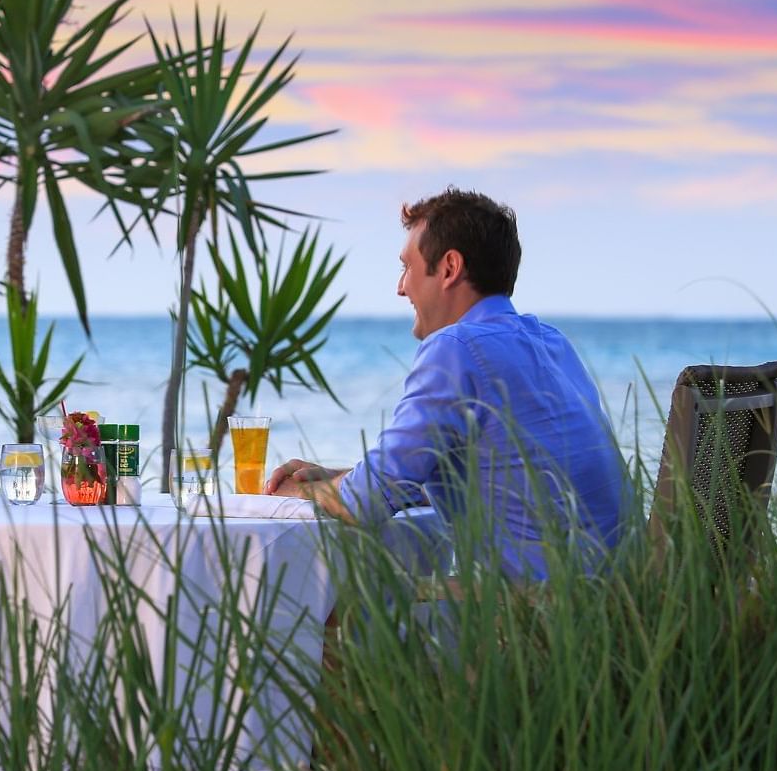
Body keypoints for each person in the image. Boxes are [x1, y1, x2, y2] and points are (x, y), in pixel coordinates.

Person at [266, 188, 627, 579]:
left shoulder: (455, 347)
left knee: (323, 605)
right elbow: (504, 479)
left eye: (408, 267)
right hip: (617, 608)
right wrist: (340, 476)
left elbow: (362, 505)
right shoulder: (552, 343)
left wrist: (293, 495)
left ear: (450, 268)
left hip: (534, 614)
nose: (401, 287)